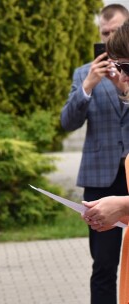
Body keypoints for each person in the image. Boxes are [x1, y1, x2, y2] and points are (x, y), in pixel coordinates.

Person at [60, 4, 129, 303]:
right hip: (101, 178)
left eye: (116, 33)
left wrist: (122, 87)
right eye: (105, 34)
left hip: (128, 174)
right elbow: (67, 122)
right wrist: (87, 86)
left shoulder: (124, 77)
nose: (110, 40)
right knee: (103, 265)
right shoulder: (83, 74)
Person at [82, 19, 129, 304]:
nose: (122, 77)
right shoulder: (84, 75)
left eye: (127, 67)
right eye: (120, 67)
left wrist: (123, 205)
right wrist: (118, 214)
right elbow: (66, 121)